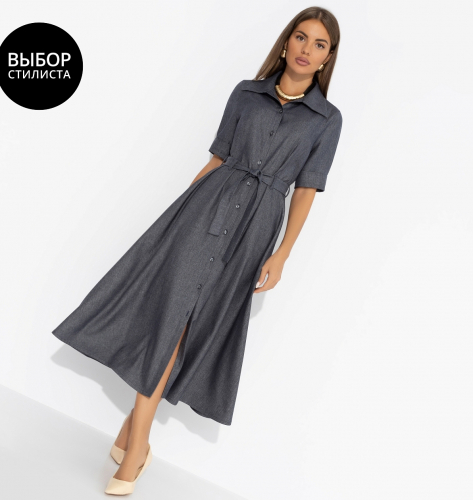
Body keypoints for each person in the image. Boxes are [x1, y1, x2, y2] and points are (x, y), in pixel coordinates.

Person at [51, 6, 343, 495]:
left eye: (319, 44)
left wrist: (282, 254)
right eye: (300, 37)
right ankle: (137, 448)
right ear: (286, 41)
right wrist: (176, 217)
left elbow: (306, 190)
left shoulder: (327, 120)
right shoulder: (246, 93)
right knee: (171, 318)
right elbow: (217, 158)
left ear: (328, 57)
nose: (306, 50)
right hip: (205, 210)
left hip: (255, 229)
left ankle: (130, 433)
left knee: (194, 326)